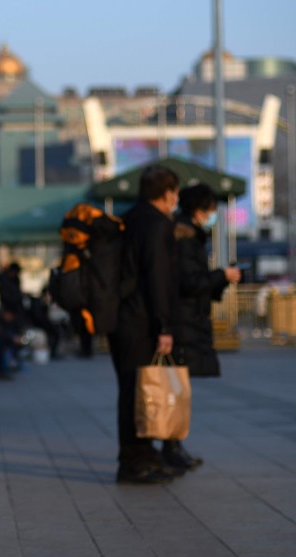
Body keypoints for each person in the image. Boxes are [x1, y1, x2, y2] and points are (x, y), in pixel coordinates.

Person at [108, 165, 180, 484]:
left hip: (121, 318)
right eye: (175, 192)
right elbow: (157, 277)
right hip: (140, 320)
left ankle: (144, 454)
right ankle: (134, 461)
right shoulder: (157, 223)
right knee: (137, 391)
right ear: (167, 193)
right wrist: (164, 326)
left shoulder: (129, 218)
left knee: (135, 389)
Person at [164, 184, 241, 471]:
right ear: (199, 210)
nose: (213, 216)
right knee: (176, 387)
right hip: (184, 321)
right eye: (210, 211)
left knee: (178, 387)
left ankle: (174, 445)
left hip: (187, 319)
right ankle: (170, 446)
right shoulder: (185, 236)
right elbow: (190, 282)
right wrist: (222, 275)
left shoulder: (187, 233)